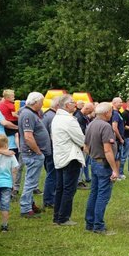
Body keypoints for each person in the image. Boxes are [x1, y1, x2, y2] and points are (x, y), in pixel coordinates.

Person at [84, 102, 118, 235]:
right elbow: (108, 150)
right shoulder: (105, 126)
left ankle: (90, 222)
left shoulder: (91, 124)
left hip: (94, 161)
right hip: (103, 164)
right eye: (111, 111)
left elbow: (86, 147)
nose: (112, 113)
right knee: (102, 196)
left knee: (94, 193)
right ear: (106, 113)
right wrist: (115, 169)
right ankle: (98, 226)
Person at [51, 95, 86, 226]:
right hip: (71, 157)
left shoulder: (56, 118)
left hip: (60, 156)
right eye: (72, 102)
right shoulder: (69, 120)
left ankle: (57, 216)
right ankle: (63, 218)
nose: (75, 104)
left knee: (60, 188)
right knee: (69, 189)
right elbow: (81, 139)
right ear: (66, 106)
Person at [18, 92, 49, 218]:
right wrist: (38, 151)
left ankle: (30, 204)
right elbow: (28, 137)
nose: (42, 104)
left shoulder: (29, 113)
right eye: (41, 102)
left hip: (33, 153)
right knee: (30, 182)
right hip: (32, 153)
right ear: (35, 102)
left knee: (31, 180)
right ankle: (25, 208)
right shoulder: (28, 114)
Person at [0, 100, 23, 199]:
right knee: (5, 169)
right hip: (4, 145)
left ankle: (12, 190)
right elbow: (5, 123)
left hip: (13, 144)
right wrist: (19, 127)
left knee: (15, 169)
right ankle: (6, 191)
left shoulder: (8, 113)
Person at [41, 96, 59, 209]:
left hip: (46, 149)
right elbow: (54, 135)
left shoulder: (46, 114)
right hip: (51, 149)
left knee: (51, 174)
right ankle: (49, 200)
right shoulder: (53, 117)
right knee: (52, 175)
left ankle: (50, 198)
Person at [75, 102, 94, 189]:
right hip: (81, 143)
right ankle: (78, 181)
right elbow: (81, 132)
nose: (90, 114)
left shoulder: (83, 116)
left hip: (84, 142)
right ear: (86, 108)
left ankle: (79, 179)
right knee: (81, 162)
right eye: (89, 111)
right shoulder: (79, 117)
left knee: (83, 162)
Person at [110, 97, 125, 176]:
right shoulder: (115, 113)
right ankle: (116, 174)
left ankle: (117, 173)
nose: (121, 104)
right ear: (114, 103)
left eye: (121, 102)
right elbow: (114, 127)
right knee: (117, 157)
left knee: (118, 157)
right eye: (119, 102)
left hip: (118, 138)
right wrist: (120, 138)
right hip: (117, 139)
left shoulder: (118, 112)